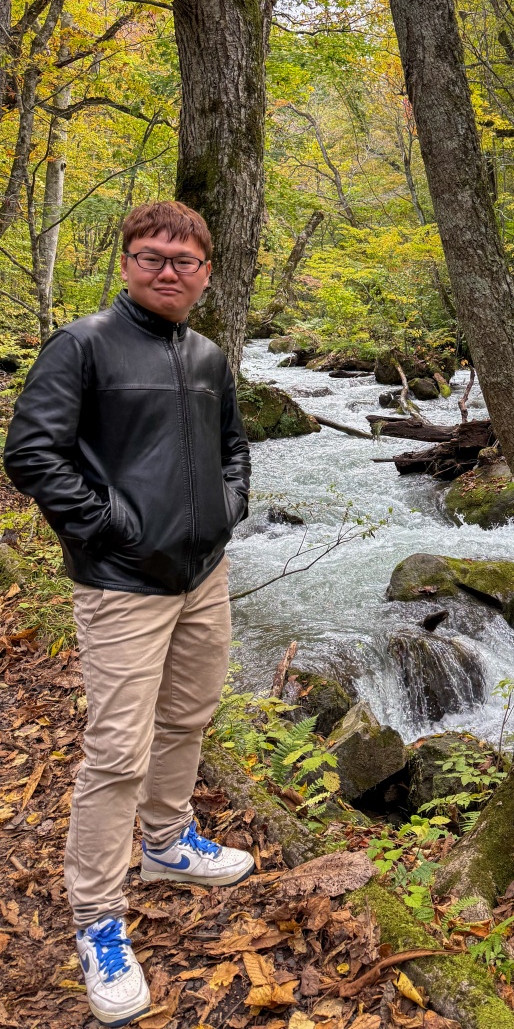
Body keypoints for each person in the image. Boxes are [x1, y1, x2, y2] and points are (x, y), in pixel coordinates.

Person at [4, 201, 253, 1027]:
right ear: (126, 263)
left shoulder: (211, 355)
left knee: (188, 717)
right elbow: (31, 453)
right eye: (152, 257)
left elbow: (232, 448)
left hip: (202, 575)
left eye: (184, 260)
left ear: (206, 272)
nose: (168, 271)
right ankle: (96, 920)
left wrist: (229, 507)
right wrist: (113, 529)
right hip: (121, 586)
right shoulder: (82, 345)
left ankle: (168, 840)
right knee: (116, 751)